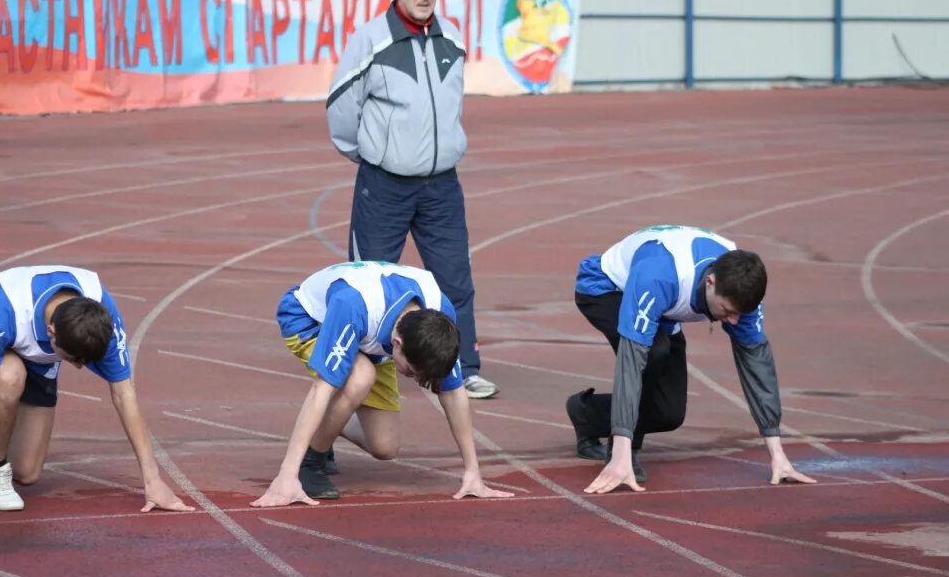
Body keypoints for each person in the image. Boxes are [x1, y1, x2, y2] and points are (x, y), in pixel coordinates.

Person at [325, 0, 499, 400]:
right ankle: (356, 368)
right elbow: (342, 108)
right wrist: (372, 155)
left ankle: (463, 365)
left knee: (455, 279)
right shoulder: (371, 38)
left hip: (441, 185)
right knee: (368, 279)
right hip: (385, 184)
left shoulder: (452, 38)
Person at [0, 265, 193, 525]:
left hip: (36, 351)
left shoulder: (103, 318)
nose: (78, 367)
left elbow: (125, 395)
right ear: (51, 332)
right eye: (72, 359)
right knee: (10, 376)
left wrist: (153, 480)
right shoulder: (2, 310)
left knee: (27, 472)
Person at [566, 225, 816, 494]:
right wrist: (624, 448)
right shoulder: (661, 275)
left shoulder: (743, 294)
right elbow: (632, 362)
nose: (732, 321)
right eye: (727, 310)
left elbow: (757, 365)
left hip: (664, 310)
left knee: (669, 413)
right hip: (605, 290)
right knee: (654, 351)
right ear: (711, 282)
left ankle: (586, 413)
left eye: (739, 315)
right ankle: (624, 453)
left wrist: (777, 453)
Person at [251, 261, 514, 507]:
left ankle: (329, 425)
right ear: (397, 344)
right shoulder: (352, 304)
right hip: (310, 320)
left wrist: (473, 472)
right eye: (411, 372)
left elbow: (454, 392)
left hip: (370, 336)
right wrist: (287, 475)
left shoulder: (439, 317)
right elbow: (321, 389)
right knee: (360, 376)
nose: (414, 380)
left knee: (384, 447)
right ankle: (311, 464)